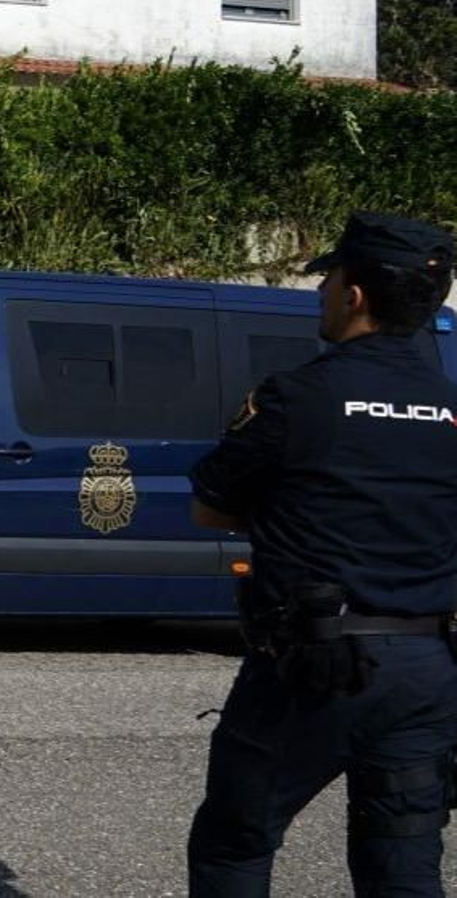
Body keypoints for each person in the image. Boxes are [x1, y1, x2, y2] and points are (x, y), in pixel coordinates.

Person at [186, 211, 457, 896]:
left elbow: (210, 505)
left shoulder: (298, 397)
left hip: (315, 665)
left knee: (235, 842)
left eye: (329, 278)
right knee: (401, 860)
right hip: (426, 669)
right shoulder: (452, 407)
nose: (321, 292)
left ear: (354, 294)